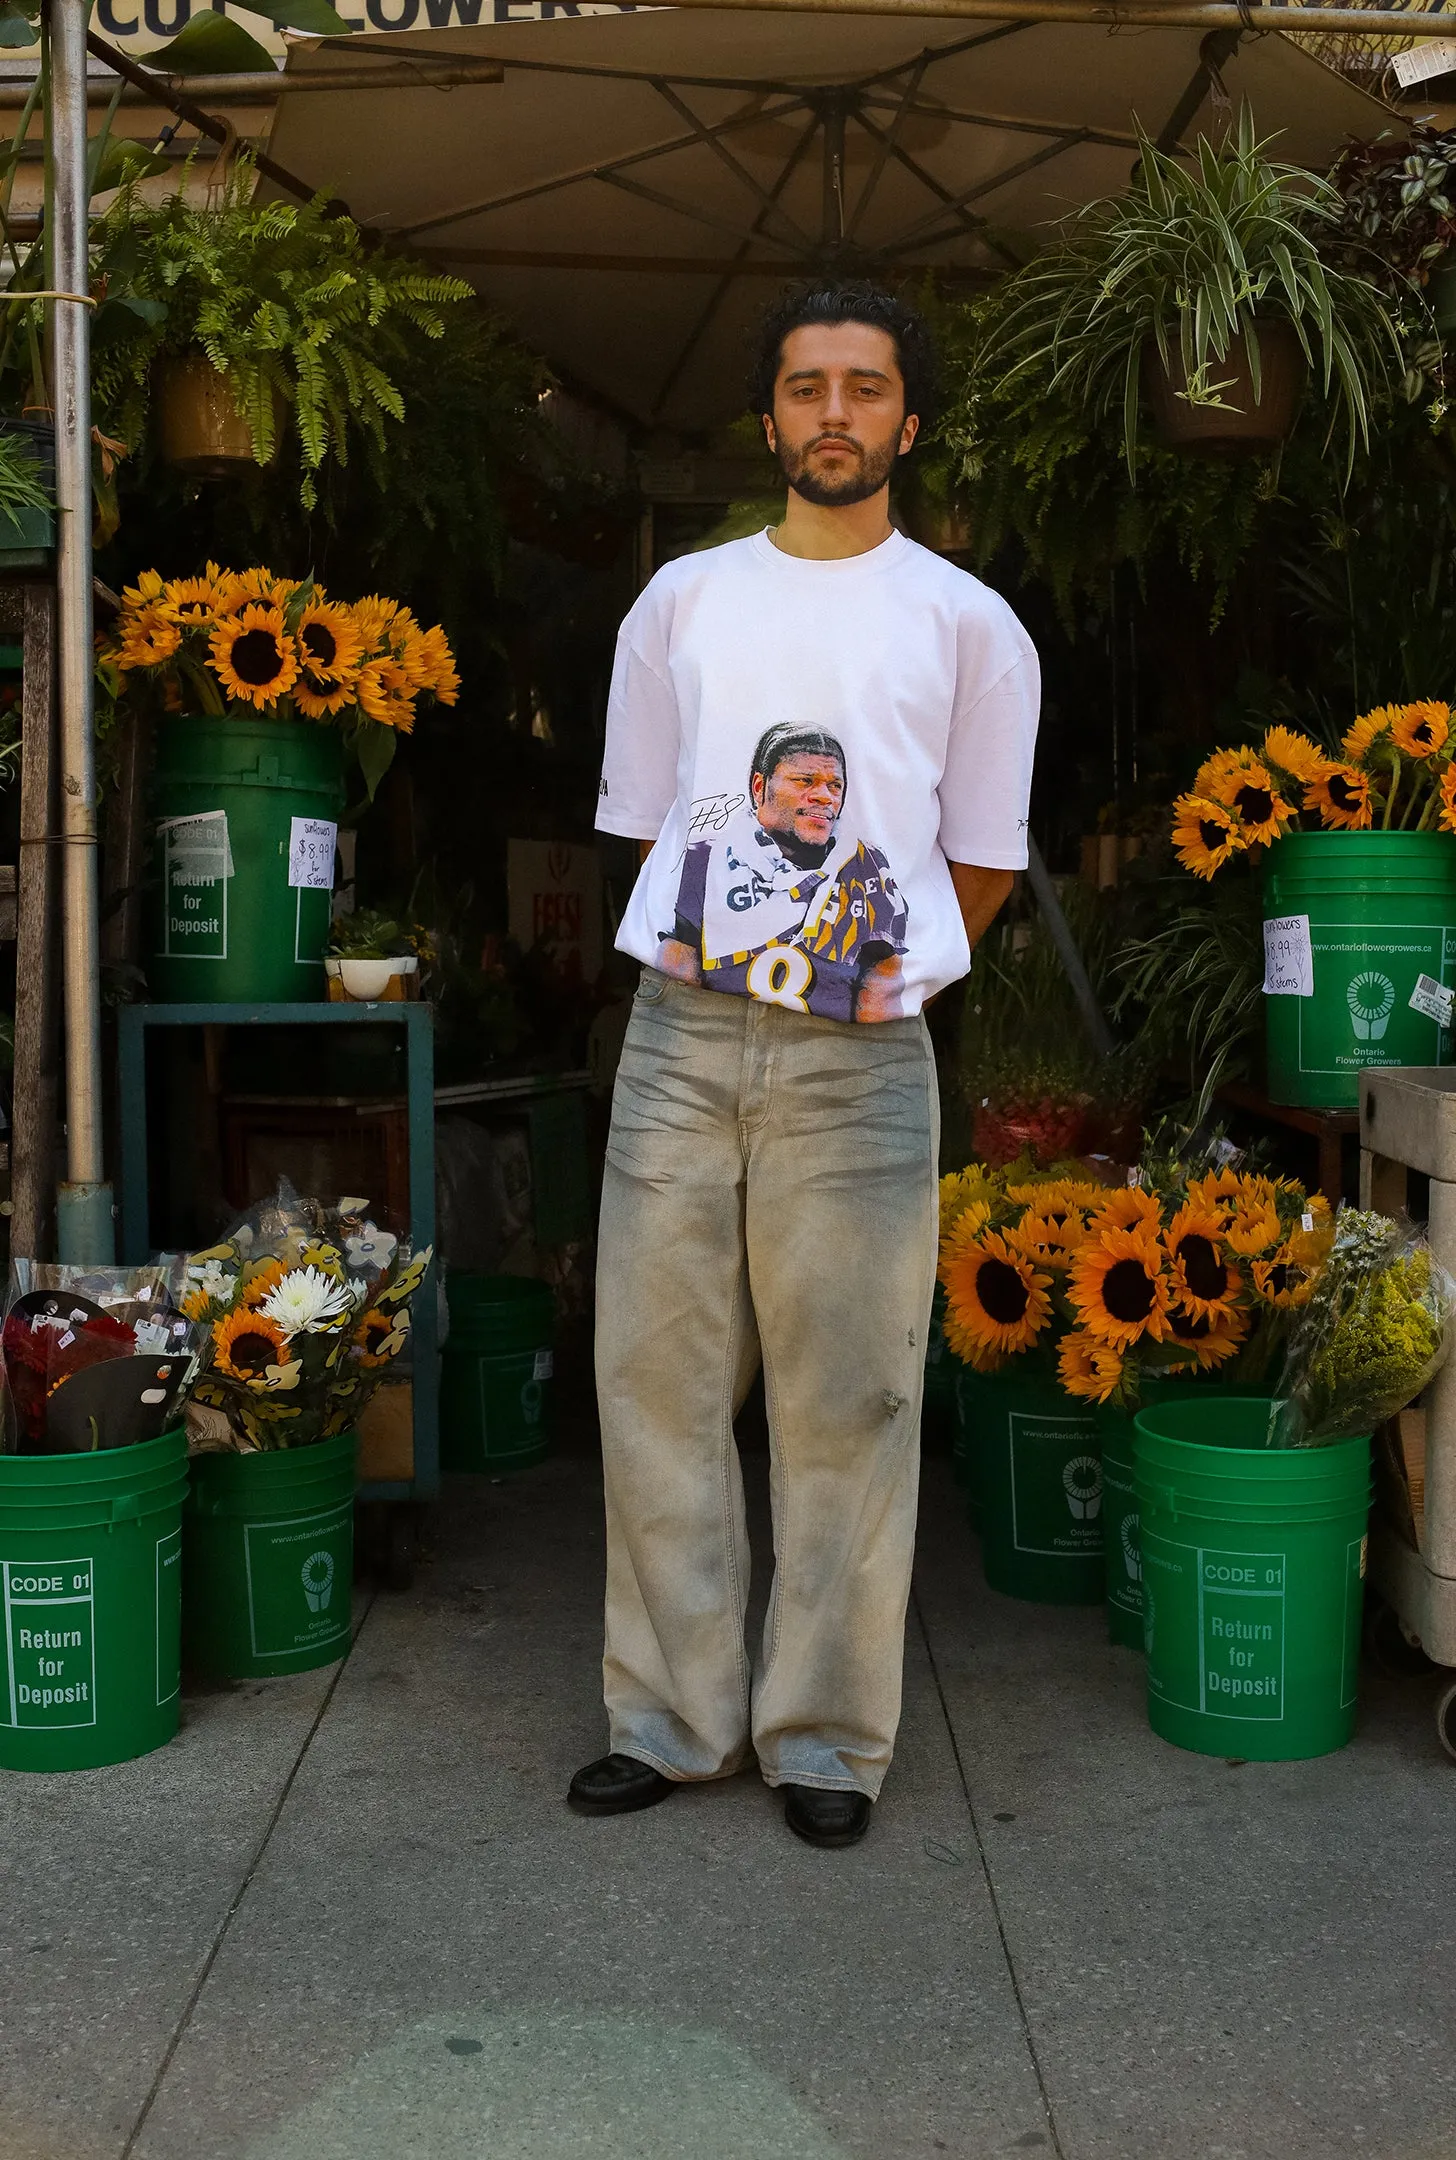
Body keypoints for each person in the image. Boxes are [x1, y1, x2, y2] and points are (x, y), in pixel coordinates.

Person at [570, 279, 1039, 1849]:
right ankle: (669, 1717)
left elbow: (980, 861)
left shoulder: (971, 624)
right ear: (767, 417)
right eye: (804, 386)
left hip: (860, 1060)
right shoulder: (682, 603)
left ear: (908, 421)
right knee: (653, 1380)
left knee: (851, 1398)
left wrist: (888, 967)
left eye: (864, 387)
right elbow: (639, 824)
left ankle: (828, 1737)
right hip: (683, 1042)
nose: (833, 412)